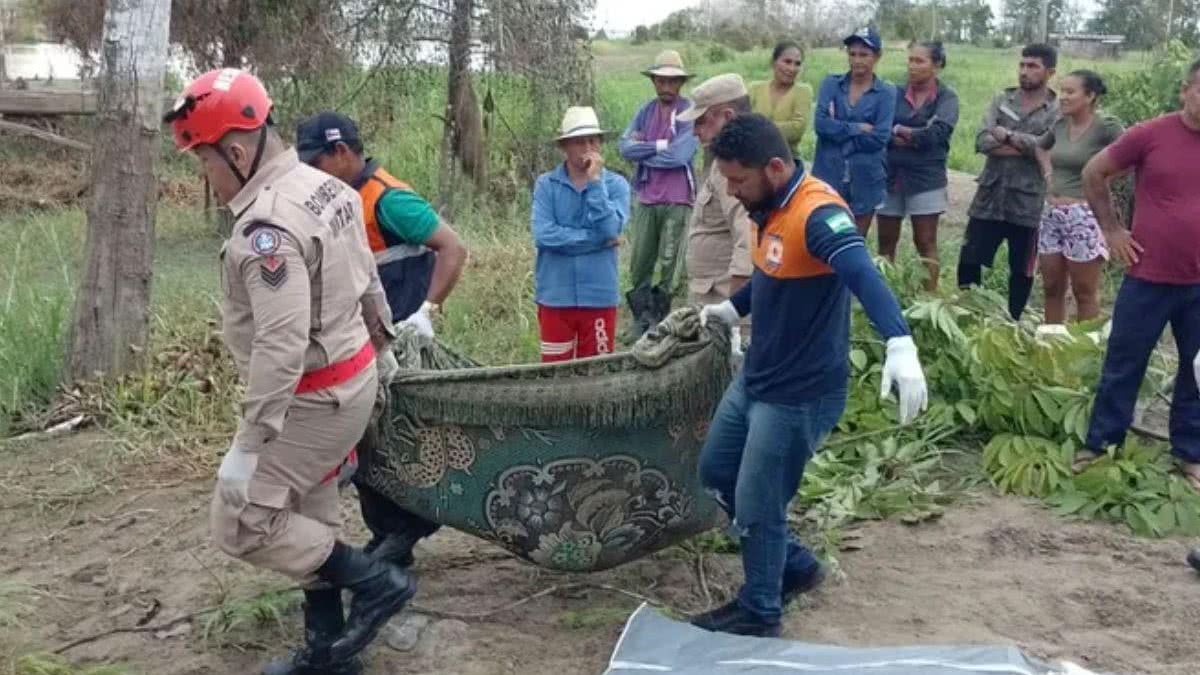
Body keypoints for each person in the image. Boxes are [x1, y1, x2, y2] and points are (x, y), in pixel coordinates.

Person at [164, 69, 414, 674]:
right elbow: (365, 274)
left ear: (237, 151)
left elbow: (279, 344)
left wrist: (247, 450)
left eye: (205, 164)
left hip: (312, 396)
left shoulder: (266, 230)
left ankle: (376, 581)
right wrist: (384, 346)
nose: (208, 179)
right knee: (307, 510)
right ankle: (329, 654)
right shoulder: (325, 187)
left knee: (243, 518)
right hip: (350, 377)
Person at [691, 114, 929, 637]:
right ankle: (794, 565)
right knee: (716, 473)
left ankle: (759, 610)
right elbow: (773, 270)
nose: (732, 192)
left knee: (759, 502)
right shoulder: (766, 204)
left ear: (775, 167)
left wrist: (899, 340)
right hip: (756, 378)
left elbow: (862, 273)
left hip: (798, 393)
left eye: (738, 181)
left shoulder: (818, 214)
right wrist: (733, 309)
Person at [294, 111, 469, 572]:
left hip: (400, 343)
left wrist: (427, 312)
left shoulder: (390, 201)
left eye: (316, 161)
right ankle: (392, 537)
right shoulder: (338, 198)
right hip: (365, 342)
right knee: (372, 445)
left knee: (392, 442)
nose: (310, 172)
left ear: (343, 153)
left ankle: (403, 534)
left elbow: (453, 248)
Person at [1071, 59, 1200, 493]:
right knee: (1124, 363)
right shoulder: (1151, 134)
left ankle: (1190, 453)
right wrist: (1111, 230)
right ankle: (1101, 443)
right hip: (1148, 275)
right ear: (1185, 90)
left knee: (1196, 371)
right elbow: (1093, 173)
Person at [958, 44, 1060, 321]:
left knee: (1021, 269)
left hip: (1027, 203)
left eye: (1033, 66)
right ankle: (969, 316)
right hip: (989, 197)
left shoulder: (1057, 109)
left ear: (1050, 72)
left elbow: (1049, 146)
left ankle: (1013, 323)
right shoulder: (1002, 99)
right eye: (1022, 65)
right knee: (968, 261)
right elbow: (981, 141)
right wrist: (1030, 146)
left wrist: (1007, 136)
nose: (1025, 71)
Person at [532, 106, 631, 362]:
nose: (588, 147)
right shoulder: (546, 185)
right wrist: (596, 241)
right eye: (579, 141)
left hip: (599, 295)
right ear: (565, 146)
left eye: (593, 140)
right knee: (554, 373)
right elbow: (543, 235)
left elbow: (611, 229)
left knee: (595, 375)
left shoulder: (616, 185)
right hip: (555, 296)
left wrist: (595, 182)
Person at [619, 50, 700, 336]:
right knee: (640, 260)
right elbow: (624, 146)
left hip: (678, 198)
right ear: (654, 81)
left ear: (681, 83)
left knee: (670, 264)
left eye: (673, 81)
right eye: (661, 81)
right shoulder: (645, 110)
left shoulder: (690, 112)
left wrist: (646, 150)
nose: (666, 87)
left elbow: (680, 155)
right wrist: (660, 145)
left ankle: (658, 320)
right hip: (647, 195)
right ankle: (639, 319)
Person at [1036, 71, 1123, 328]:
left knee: (1084, 291)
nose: (1063, 97)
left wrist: (1104, 181)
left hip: (1084, 216)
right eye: (1062, 91)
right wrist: (1048, 174)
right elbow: (1040, 147)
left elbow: (1132, 154)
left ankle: (1083, 350)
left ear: (1090, 96)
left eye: (1070, 92)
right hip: (1051, 214)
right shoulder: (1060, 125)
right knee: (1051, 287)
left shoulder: (1106, 126)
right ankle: (1051, 347)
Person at [877, 41, 959, 291]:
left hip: (926, 179)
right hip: (890, 176)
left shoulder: (947, 98)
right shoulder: (893, 93)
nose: (913, 66)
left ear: (937, 65)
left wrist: (900, 131)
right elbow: (881, 132)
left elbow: (937, 135)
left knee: (925, 241)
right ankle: (884, 296)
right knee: (885, 243)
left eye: (920, 61)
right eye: (911, 60)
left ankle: (928, 301)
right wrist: (915, 135)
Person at [676, 74, 753, 336]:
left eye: (701, 121)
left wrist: (736, 312)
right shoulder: (720, 163)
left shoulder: (736, 168)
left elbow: (748, 240)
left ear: (727, 117)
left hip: (724, 302)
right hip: (711, 296)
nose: (695, 131)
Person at [813, 25, 897, 237]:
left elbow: (880, 138)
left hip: (865, 179)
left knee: (855, 241)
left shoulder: (886, 92)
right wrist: (857, 128)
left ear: (877, 56)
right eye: (852, 54)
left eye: (864, 54)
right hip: (829, 174)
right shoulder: (831, 84)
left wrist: (839, 133)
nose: (857, 60)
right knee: (824, 238)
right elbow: (821, 125)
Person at [749, 41, 813, 151]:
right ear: (773, 62)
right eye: (787, 62)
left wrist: (757, 128)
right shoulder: (755, 88)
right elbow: (742, 123)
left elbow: (797, 130)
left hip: (787, 161)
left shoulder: (803, 91)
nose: (792, 69)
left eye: (797, 64)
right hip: (752, 158)